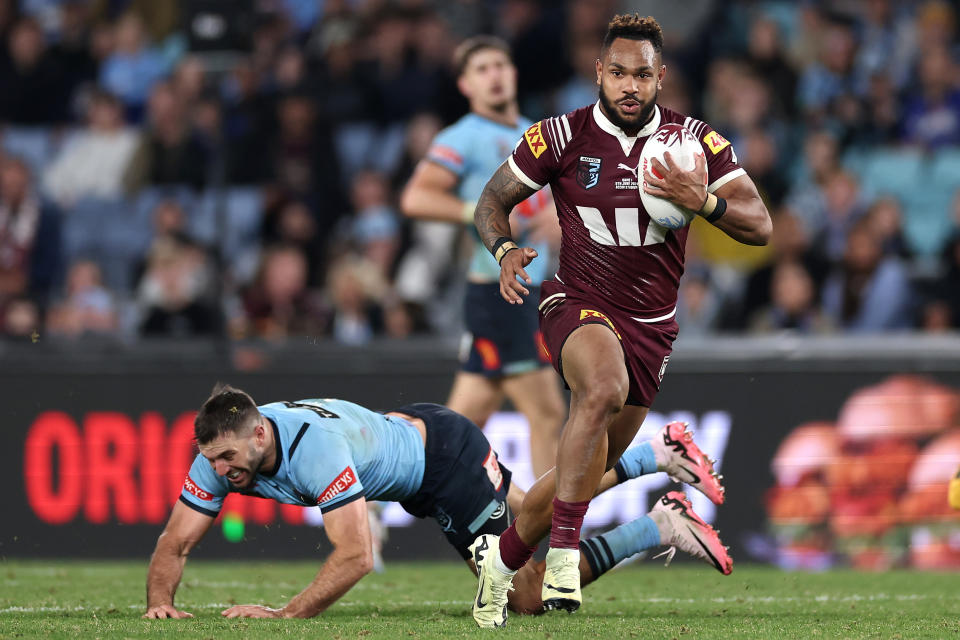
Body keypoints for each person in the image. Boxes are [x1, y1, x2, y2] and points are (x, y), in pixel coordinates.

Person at [469, 14, 771, 626]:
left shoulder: (695, 145)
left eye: (642, 74)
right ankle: (561, 558)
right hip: (574, 301)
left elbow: (760, 225)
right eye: (618, 73)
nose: (629, 85)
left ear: (661, 77)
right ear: (598, 73)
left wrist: (702, 202)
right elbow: (491, 202)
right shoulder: (560, 136)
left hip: (652, 327)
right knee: (600, 386)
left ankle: (500, 564)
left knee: (577, 472)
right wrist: (504, 252)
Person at [143, 384, 731, 620]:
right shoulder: (224, 453)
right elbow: (176, 540)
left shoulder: (311, 449)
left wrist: (285, 615)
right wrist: (160, 604)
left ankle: (658, 526)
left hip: (442, 466)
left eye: (227, 460)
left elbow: (353, 555)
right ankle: (653, 456)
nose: (220, 472)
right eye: (213, 461)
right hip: (427, 438)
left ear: (260, 435)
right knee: (535, 509)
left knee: (524, 595)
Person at [400, 35, 565, 479]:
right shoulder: (464, 137)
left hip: (526, 289)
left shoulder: (535, 133)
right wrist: (479, 214)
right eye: (482, 69)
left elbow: (546, 211)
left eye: (500, 66)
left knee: (458, 428)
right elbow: (416, 198)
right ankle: (545, 539)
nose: (493, 75)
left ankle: (389, 484)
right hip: (499, 293)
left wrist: (559, 218)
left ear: (513, 74)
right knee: (547, 412)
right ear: (465, 85)